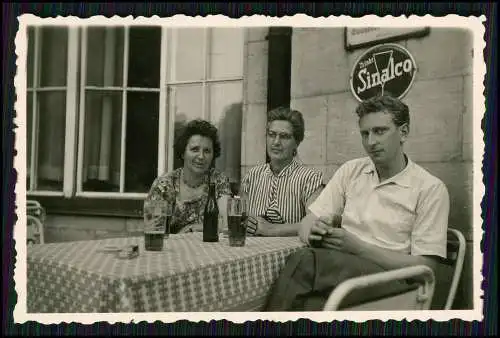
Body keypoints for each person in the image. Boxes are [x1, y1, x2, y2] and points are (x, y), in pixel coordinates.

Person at [264, 95, 450, 311]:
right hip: (343, 276)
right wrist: (314, 231)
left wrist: (357, 248)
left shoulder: (430, 188)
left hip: (394, 282)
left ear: (404, 132)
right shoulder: (352, 171)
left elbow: (427, 268)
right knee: (310, 306)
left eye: (380, 131)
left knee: (304, 260)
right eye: (365, 133)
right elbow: (308, 221)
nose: (371, 142)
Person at [240, 106, 324, 237]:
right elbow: (241, 219)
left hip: (291, 253)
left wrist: (271, 229)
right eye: (272, 135)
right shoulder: (252, 176)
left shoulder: (310, 179)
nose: (276, 142)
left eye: (284, 136)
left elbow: (316, 223)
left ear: (297, 142)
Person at [145, 119, 232, 234]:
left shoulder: (218, 181)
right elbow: (153, 228)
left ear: (213, 155)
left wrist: (194, 228)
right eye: (195, 149)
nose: (201, 156)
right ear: (182, 153)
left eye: (207, 151)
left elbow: (227, 224)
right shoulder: (164, 185)